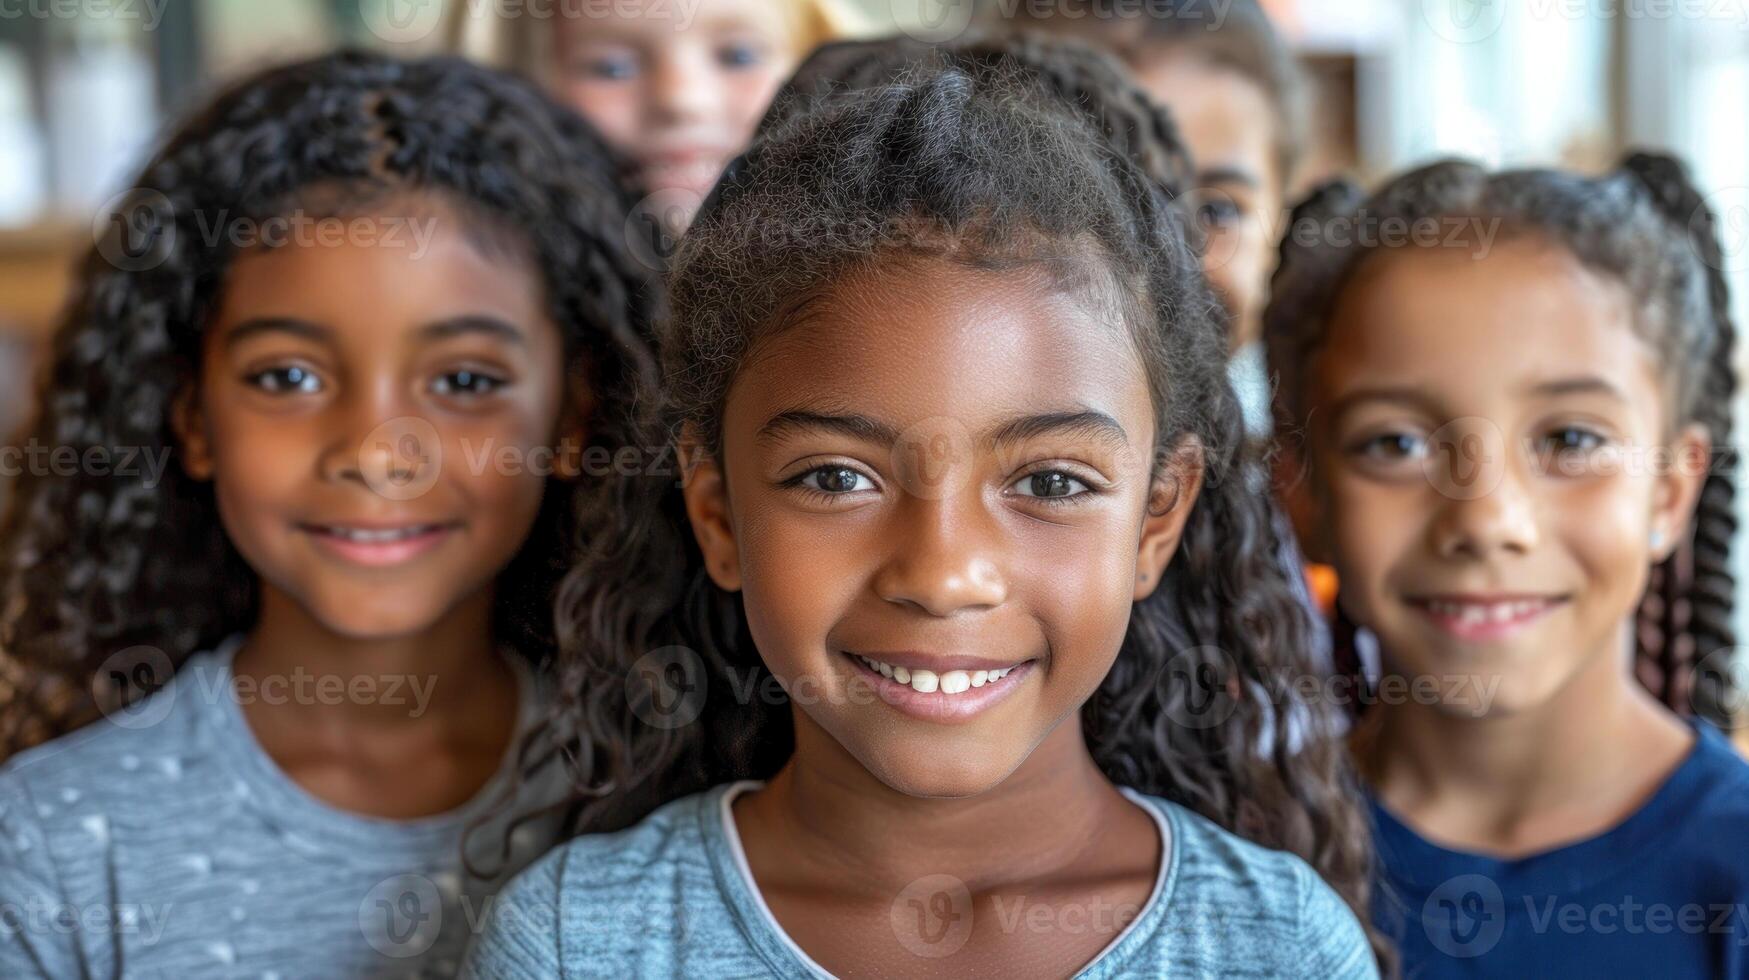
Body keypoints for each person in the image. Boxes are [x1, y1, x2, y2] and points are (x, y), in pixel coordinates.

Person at [464, 51, 1379, 979]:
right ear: (718, 515)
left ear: (1155, 520)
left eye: (1052, 483)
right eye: (835, 478)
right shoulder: (576, 946)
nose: (942, 574)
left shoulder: (1278, 949)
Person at [0, 50, 662, 977]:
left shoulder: (658, 790)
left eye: (465, 381)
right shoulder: (50, 843)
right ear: (192, 417)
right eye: (289, 377)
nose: (376, 450)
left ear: (571, 416)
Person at [1264, 153, 1749, 975]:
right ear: (1302, 495)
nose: (1487, 521)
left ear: (1669, 492)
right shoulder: (1229, 871)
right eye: (1397, 443)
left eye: (1568, 440)